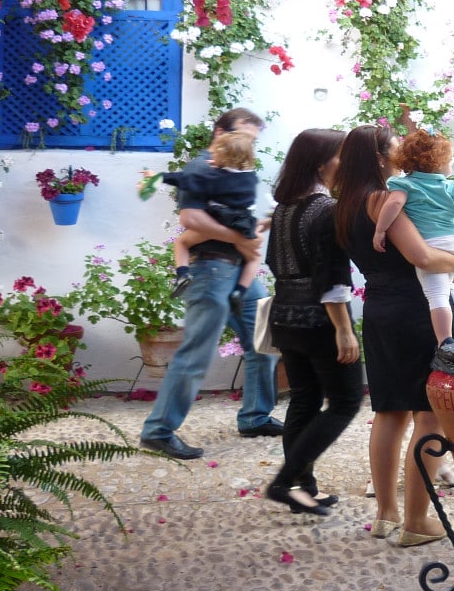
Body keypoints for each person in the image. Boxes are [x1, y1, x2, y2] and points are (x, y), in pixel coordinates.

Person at [335, 124, 454, 547]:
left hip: (379, 308)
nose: (401, 153)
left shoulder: (345, 204)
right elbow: (422, 255)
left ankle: (386, 515)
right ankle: (416, 521)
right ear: (379, 157)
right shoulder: (383, 199)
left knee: (389, 412)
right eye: (394, 147)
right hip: (417, 309)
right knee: (430, 414)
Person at [139, 108, 280, 459]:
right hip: (211, 269)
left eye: (253, 139)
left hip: (235, 268)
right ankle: (158, 431)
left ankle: (255, 416)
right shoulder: (203, 168)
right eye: (244, 136)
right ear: (220, 131)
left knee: (264, 337)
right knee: (197, 352)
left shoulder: (237, 169)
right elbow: (190, 218)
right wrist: (239, 238)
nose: (249, 145)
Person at [262, 128, 362, 516]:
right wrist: (343, 329)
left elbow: (275, 263)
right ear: (323, 164)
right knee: (345, 402)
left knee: (303, 399)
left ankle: (304, 489)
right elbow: (333, 277)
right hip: (320, 320)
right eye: (341, 156)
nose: (346, 164)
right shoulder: (327, 209)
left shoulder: (285, 208)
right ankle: (285, 481)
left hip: (285, 315)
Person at [371, 128, 454, 345]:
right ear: (438, 162)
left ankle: (445, 339)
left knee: (436, 295)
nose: (451, 165)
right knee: (449, 282)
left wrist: (380, 230)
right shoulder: (452, 186)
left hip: (432, 245)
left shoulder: (405, 184)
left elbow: (394, 204)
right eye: (450, 161)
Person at [157, 129, 261, 310]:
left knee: (182, 242)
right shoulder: (250, 177)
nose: (212, 157)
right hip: (244, 223)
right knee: (254, 258)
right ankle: (240, 291)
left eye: (216, 154)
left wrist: (161, 177)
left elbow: (188, 180)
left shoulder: (217, 177)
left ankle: (182, 274)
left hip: (220, 218)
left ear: (224, 156)